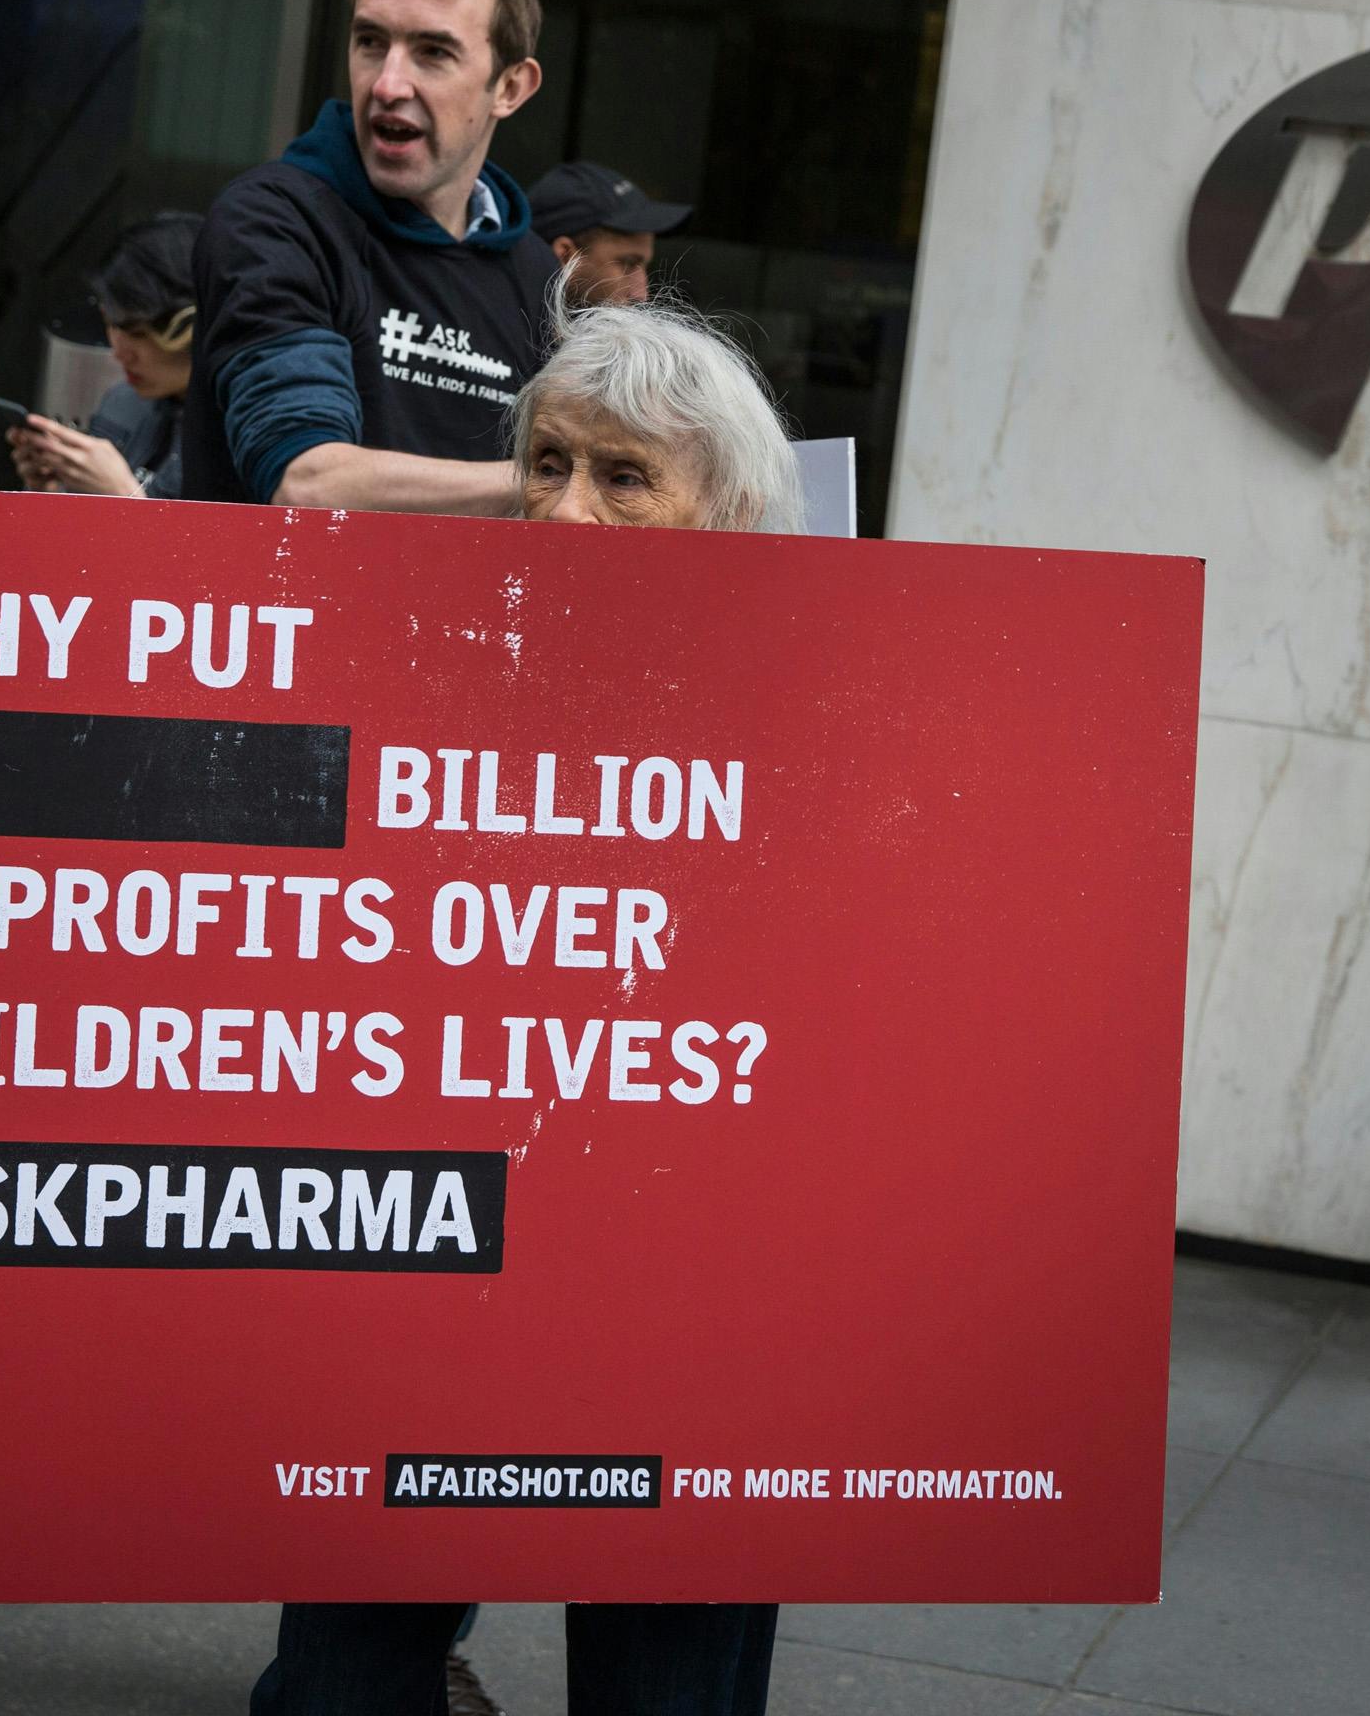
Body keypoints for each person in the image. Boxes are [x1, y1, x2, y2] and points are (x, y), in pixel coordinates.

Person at [248, 299, 796, 1716]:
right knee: (340, 1684)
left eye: (624, 480)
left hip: (696, 1316)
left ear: (730, 519)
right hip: (440, 1288)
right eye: (547, 466)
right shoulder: (422, 694)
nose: (564, 514)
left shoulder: (813, 741)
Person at [176, 0, 557, 513]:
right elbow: (307, 481)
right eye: (371, 42)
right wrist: (554, 490)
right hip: (290, 605)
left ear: (509, 88)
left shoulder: (535, 278)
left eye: (433, 52)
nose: (386, 83)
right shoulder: (275, 223)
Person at [7, 211, 201, 498]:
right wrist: (51, 491)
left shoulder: (246, 430)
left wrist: (126, 498)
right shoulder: (123, 403)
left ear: (191, 325)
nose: (119, 353)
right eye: (110, 323)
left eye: (138, 333)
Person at [527, 159, 689, 307]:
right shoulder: (511, 331)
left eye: (646, 267)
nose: (641, 295)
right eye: (628, 264)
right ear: (565, 255)